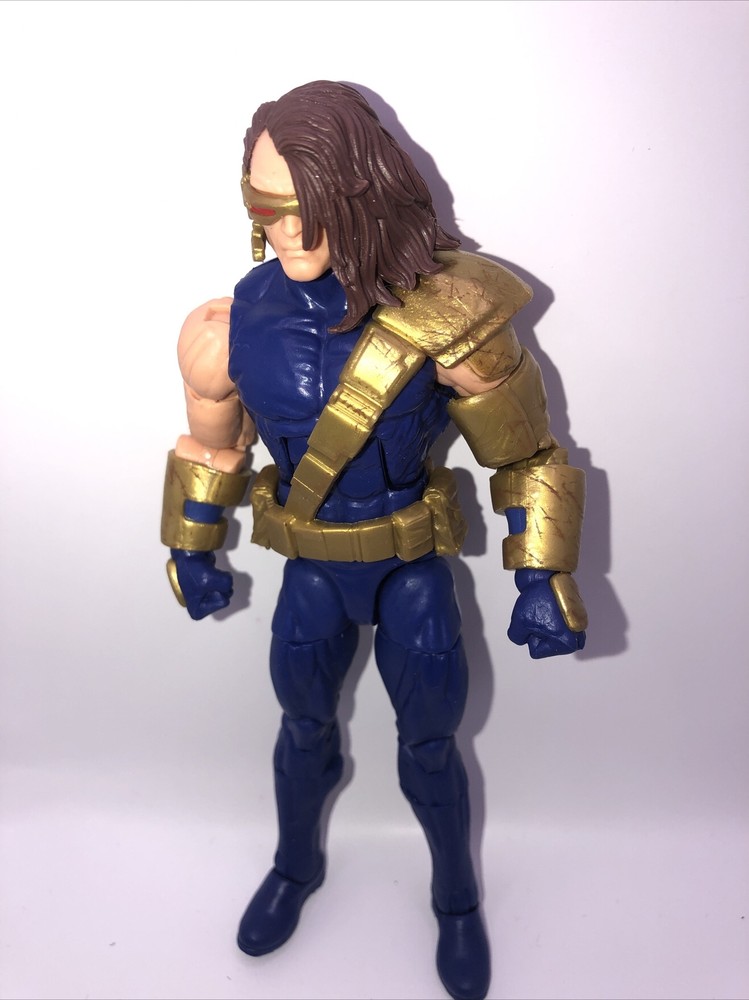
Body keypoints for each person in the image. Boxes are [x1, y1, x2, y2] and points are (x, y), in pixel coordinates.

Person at [160, 81, 587, 1000]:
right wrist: (190, 548)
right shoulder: (225, 327)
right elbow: (212, 447)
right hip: (312, 570)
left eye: (305, 206)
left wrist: (542, 576)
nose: (284, 231)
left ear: (360, 192)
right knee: (301, 729)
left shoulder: (447, 316)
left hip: (409, 570)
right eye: (264, 206)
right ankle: (295, 867)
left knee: (429, 746)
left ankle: (456, 899)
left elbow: (528, 456)